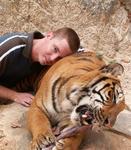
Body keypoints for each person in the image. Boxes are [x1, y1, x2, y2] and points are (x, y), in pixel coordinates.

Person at [0, 27, 80, 107]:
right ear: (49, 36)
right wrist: (15, 96)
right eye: (55, 49)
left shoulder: (43, 54)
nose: (52, 58)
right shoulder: (10, 48)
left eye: (59, 58)